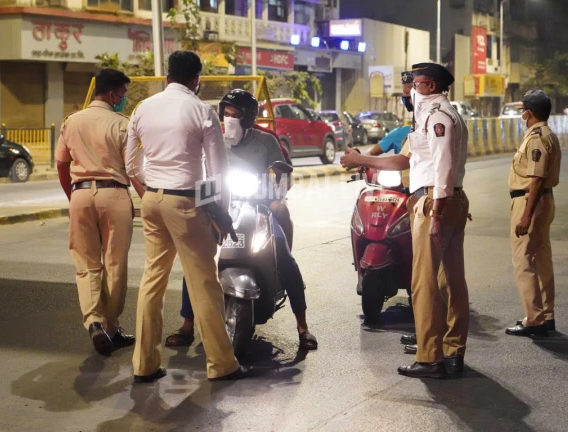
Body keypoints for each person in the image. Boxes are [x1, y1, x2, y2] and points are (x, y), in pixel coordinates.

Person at [125, 51, 250, 383]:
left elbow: (130, 166)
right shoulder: (201, 110)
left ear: (168, 76)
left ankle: (144, 364)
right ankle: (222, 364)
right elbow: (216, 171)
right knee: (204, 284)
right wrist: (218, 212)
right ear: (197, 79)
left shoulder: (143, 108)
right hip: (187, 204)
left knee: (152, 280)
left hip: (151, 200)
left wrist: (153, 190)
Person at [341, 63, 470, 379]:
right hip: (447, 199)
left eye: (413, 83)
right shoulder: (439, 114)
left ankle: (430, 358)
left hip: (434, 201)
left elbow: (443, 166)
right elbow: (407, 159)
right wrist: (363, 160)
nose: (409, 89)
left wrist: (437, 210)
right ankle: (452, 352)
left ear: (427, 85)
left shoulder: (437, 117)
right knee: (450, 281)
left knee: (424, 283)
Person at [164, 89, 317, 351]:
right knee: (197, 260)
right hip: (220, 207)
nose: (229, 119)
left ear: (248, 119)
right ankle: (187, 325)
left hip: (259, 206)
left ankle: (302, 327)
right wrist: (204, 199)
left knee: (285, 257)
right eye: (226, 114)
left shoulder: (266, 141)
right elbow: (202, 173)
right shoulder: (213, 139)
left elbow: (283, 177)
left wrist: (276, 187)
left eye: (236, 115)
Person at [55, 68, 141, 356]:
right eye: (123, 95)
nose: (124, 100)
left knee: (86, 264)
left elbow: (61, 164)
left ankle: (93, 322)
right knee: (115, 265)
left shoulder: (72, 121)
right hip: (114, 193)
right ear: (112, 92)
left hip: (80, 193)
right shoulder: (122, 124)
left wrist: (74, 196)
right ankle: (112, 327)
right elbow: (133, 168)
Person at [505, 90, 561, 338]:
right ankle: (546, 315)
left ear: (528, 112)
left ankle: (534, 320)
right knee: (541, 260)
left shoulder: (536, 138)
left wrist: (526, 215)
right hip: (544, 201)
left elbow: (536, 179)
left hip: (530, 201)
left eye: (522, 110)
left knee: (524, 262)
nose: (521, 114)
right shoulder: (548, 135)